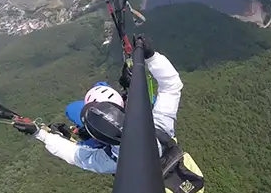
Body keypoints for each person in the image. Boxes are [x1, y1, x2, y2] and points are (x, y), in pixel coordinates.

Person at [13, 40, 183, 174]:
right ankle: (102, 108)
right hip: (150, 132)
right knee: (88, 98)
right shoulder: (159, 125)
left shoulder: (111, 160)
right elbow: (171, 87)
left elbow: (72, 154)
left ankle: (89, 122)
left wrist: (40, 133)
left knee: (74, 109)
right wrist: (152, 57)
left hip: (113, 140)